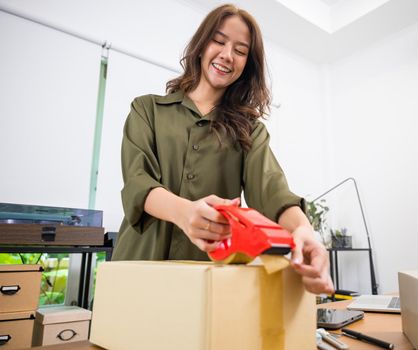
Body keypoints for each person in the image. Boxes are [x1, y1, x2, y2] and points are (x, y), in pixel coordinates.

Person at [112, 4, 334, 295]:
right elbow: (138, 181)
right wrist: (184, 212)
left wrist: (304, 230)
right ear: (202, 45)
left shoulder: (250, 130)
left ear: (246, 65)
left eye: (240, 51)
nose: (227, 55)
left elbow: (272, 188)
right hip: (137, 267)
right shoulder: (147, 109)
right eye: (219, 41)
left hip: (208, 280)